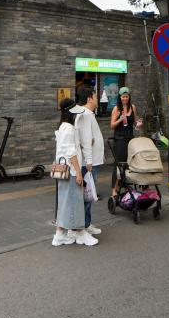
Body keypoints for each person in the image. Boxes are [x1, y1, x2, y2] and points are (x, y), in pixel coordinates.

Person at [52, 98, 97, 247]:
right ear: (71, 113)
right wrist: (78, 172)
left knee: (65, 203)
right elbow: (71, 152)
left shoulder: (63, 126)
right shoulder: (69, 128)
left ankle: (60, 234)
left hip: (64, 170)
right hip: (70, 171)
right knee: (75, 202)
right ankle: (80, 233)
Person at [73, 86, 105, 237]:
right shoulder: (85, 114)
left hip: (91, 162)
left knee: (88, 194)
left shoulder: (88, 114)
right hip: (87, 163)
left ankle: (86, 223)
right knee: (86, 195)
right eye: (95, 96)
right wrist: (89, 161)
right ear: (89, 98)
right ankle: (81, 227)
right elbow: (84, 140)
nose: (98, 99)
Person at [109, 87, 140, 196]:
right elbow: (112, 125)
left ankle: (126, 186)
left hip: (130, 139)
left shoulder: (133, 107)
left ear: (129, 97)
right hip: (120, 139)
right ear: (120, 97)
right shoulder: (116, 109)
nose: (125, 99)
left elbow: (135, 123)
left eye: (127, 96)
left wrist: (139, 124)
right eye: (123, 97)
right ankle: (114, 189)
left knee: (129, 164)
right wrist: (120, 119)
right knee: (119, 164)